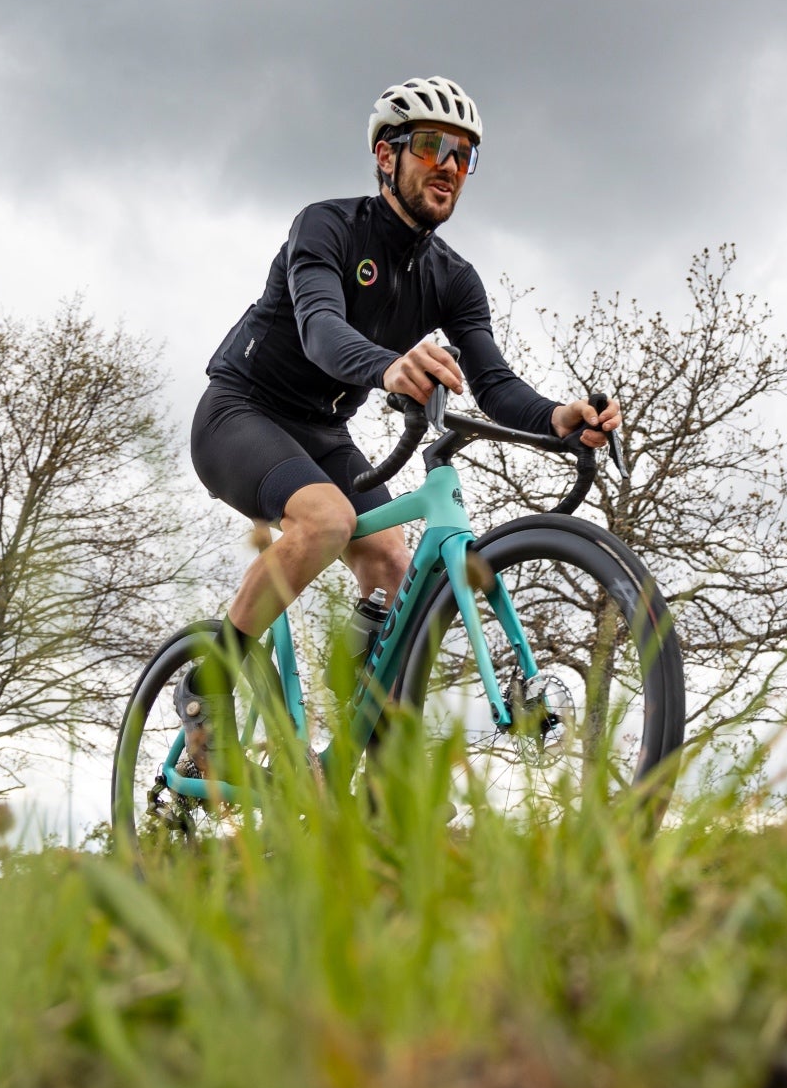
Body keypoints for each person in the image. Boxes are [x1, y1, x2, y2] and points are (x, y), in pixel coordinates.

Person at [178, 75, 622, 765]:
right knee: (328, 521)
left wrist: (561, 417)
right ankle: (207, 684)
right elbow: (322, 328)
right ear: (387, 155)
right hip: (242, 408)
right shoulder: (325, 226)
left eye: (464, 154)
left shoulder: (453, 277)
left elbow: (496, 384)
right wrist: (389, 366)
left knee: (394, 562)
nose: (449, 164)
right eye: (432, 145)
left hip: (324, 433)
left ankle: (362, 743)